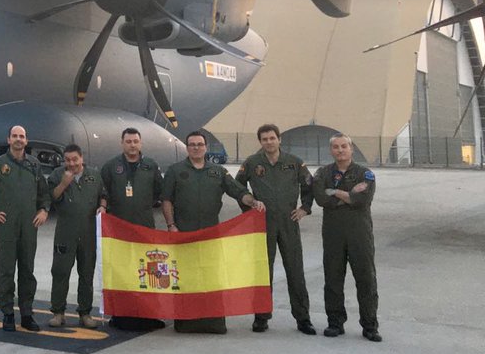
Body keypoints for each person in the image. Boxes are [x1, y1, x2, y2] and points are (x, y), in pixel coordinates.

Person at [163, 130, 264, 334]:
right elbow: (167, 200)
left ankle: (214, 322)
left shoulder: (218, 171)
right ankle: (185, 321)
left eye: (200, 144)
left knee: (211, 277)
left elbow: (237, 191)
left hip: (211, 235)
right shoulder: (175, 170)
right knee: (187, 277)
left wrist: (253, 201)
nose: (196, 147)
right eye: (192, 144)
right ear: (187, 147)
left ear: (206, 147)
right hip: (185, 235)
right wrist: (171, 226)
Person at [235, 123, 317, 335]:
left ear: (279, 139)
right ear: (260, 142)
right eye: (264, 139)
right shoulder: (253, 163)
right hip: (262, 224)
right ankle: (261, 316)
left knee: (295, 270)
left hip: (289, 222)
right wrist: (250, 203)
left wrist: (305, 208)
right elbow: (238, 186)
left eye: (272, 138)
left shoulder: (294, 163)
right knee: (262, 271)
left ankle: (303, 317)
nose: (269, 142)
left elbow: (309, 186)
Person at [0, 125, 49, 332]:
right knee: (6, 271)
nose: (18, 139)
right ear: (8, 140)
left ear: (26, 141)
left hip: (29, 226)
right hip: (7, 226)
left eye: (22, 136)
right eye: (15, 136)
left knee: (27, 270)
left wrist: (44, 210)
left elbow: (44, 193)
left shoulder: (34, 165)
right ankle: (8, 313)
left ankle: (26, 313)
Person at [312, 133, 381, 342]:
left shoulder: (365, 173)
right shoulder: (323, 173)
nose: (340, 150)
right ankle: (335, 323)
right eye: (336, 147)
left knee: (366, 279)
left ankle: (369, 326)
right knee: (333, 278)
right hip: (333, 234)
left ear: (351, 149)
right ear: (331, 150)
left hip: (359, 234)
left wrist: (335, 192)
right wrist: (349, 194)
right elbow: (321, 199)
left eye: (344, 146)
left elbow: (362, 200)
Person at [100, 127, 165, 330]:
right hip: (119, 230)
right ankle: (121, 315)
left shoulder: (151, 166)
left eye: (135, 141)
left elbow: (158, 192)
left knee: (149, 271)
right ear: (122, 143)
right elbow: (103, 192)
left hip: (145, 228)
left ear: (141, 143)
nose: (132, 145)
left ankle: (150, 314)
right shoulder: (111, 167)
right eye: (128, 141)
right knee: (122, 272)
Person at [47, 143, 106, 329]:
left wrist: (103, 206)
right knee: (60, 272)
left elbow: (103, 195)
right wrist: (64, 183)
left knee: (86, 273)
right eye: (67, 160)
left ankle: (85, 313)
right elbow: (52, 197)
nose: (71, 163)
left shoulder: (94, 175)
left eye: (75, 159)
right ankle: (58, 312)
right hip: (66, 231)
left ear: (82, 158)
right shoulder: (58, 174)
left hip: (88, 232)